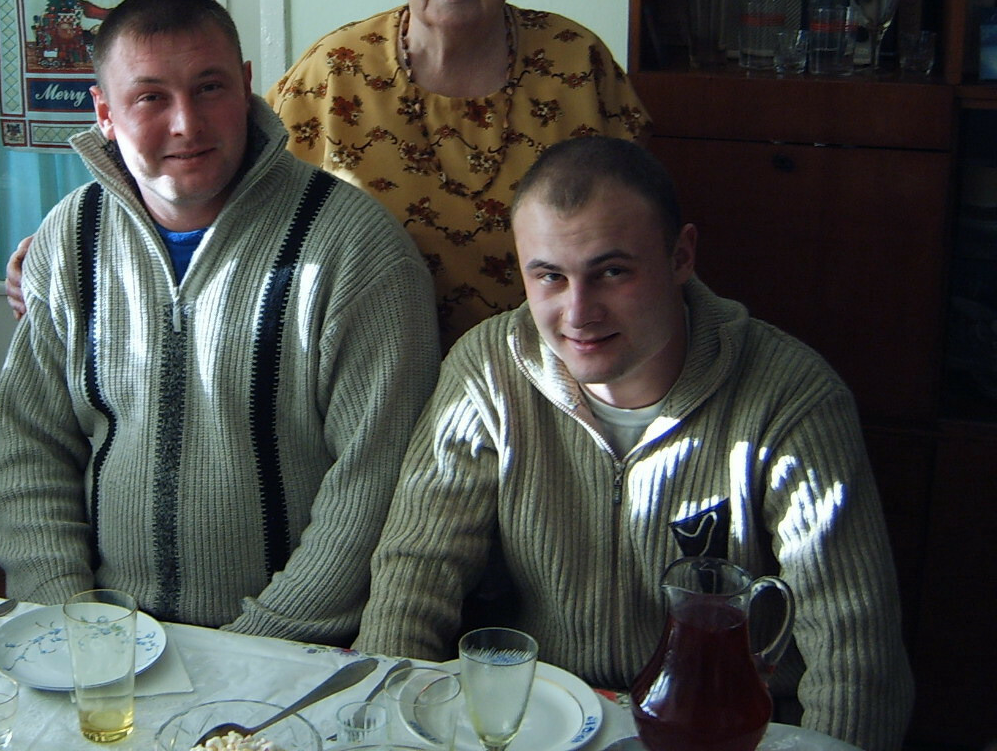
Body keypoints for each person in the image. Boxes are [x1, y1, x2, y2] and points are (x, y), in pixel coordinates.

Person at [355, 137, 913, 751]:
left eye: (612, 272)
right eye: (549, 276)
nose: (578, 313)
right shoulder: (487, 371)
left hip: (722, 732)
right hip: (542, 721)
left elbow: (853, 655)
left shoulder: (791, 397)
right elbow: (415, 575)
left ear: (681, 256)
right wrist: (381, 735)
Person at [0, 0, 439, 645]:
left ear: (247, 86)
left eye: (209, 88)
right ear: (105, 112)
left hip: (291, 658)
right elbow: (31, 451)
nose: (186, 124)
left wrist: (256, 647)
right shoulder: (67, 240)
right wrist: (70, 624)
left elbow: (374, 483)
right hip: (101, 647)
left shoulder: (356, 251)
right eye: (150, 98)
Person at [267, 0, 652, 346]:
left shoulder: (576, 60)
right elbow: (262, 211)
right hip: (371, 355)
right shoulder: (335, 71)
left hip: (554, 353)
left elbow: (641, 226)